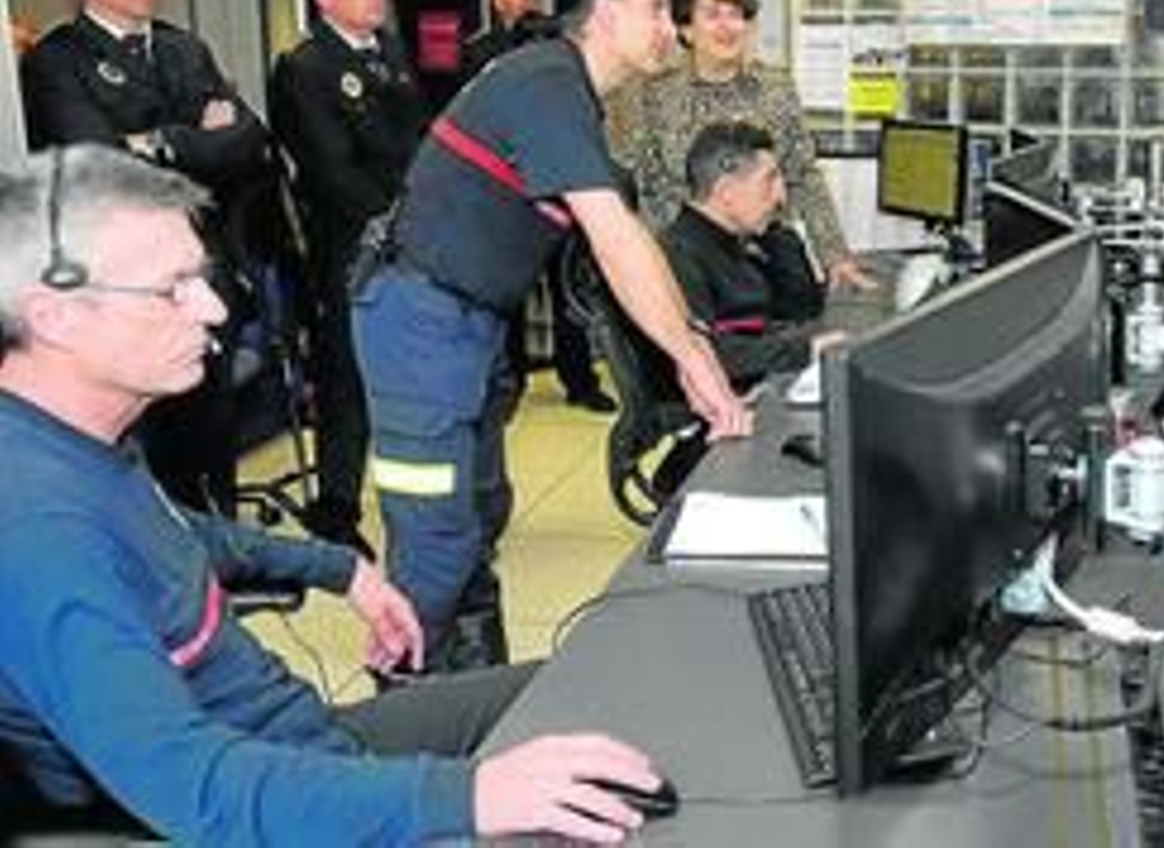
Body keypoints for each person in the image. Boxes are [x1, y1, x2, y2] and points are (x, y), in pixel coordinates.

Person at [0, 144, 665, 845]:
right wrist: (468, 796)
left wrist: (340, 568)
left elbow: (179, 533)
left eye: (201, 278)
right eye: (173, 289)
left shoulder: (75, 440)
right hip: (267, 799)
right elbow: (200, 791)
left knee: (596, 688)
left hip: (304, 744)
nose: (215, 308)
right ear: (55, 315)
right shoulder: (36, 528)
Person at [351, 0, 750, 673]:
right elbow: (614, 235)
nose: (671, 28)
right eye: (655, 10)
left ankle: (473, 695)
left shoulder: (568, 91)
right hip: (418, 324)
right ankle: (398, 704)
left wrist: (692, 340)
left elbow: (630, 235)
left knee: (479, 517)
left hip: (464, 322)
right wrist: (696, 362)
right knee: (435, 541)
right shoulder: (546, 83)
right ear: (604, 14)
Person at [20, 0, 274, 518]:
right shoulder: (58, 60)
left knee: (212, 427)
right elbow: (104, 164)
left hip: (207, 267)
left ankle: (220, 544)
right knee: (149, 442)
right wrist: (196, 138)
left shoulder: (184, 49)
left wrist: (156, 142)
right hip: (123, 287)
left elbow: (248, 142)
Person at [270, 0, 430, 556]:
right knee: (347, 381)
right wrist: (399, 220)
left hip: (412, 241)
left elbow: (417, 142)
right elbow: (331, 170)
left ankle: (415, 504)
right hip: (351, 249)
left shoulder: (389, 52)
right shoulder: (305, 68)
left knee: (408, 377)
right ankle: (336, 510)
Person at [609, 0, 876, 291]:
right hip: (687, 258)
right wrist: (651, 262)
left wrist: (834, 256)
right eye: (712, 15)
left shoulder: (776, 88)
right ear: (686, 29)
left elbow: (804, 175)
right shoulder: (654, 94)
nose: (727, 27)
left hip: (767, 252)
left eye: (735, 14)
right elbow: (638, 183)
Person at [462, 0, 616, 414]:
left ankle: (580, 381)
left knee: (567, 289)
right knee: (509, 292)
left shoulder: (561, 44)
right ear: (495, 0)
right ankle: (511, 379)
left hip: (559, 184)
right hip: (507, 191)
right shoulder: (478, 53)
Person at [663, 121, 843, 389]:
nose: (781, 196)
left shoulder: (737, 242)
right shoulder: (679, 254)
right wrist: (805, 350)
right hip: (722, 405)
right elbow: (705, 353)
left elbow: (801, 311)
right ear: (726, 192)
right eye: (769, 180)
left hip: (759, 385)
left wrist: (778, 234)